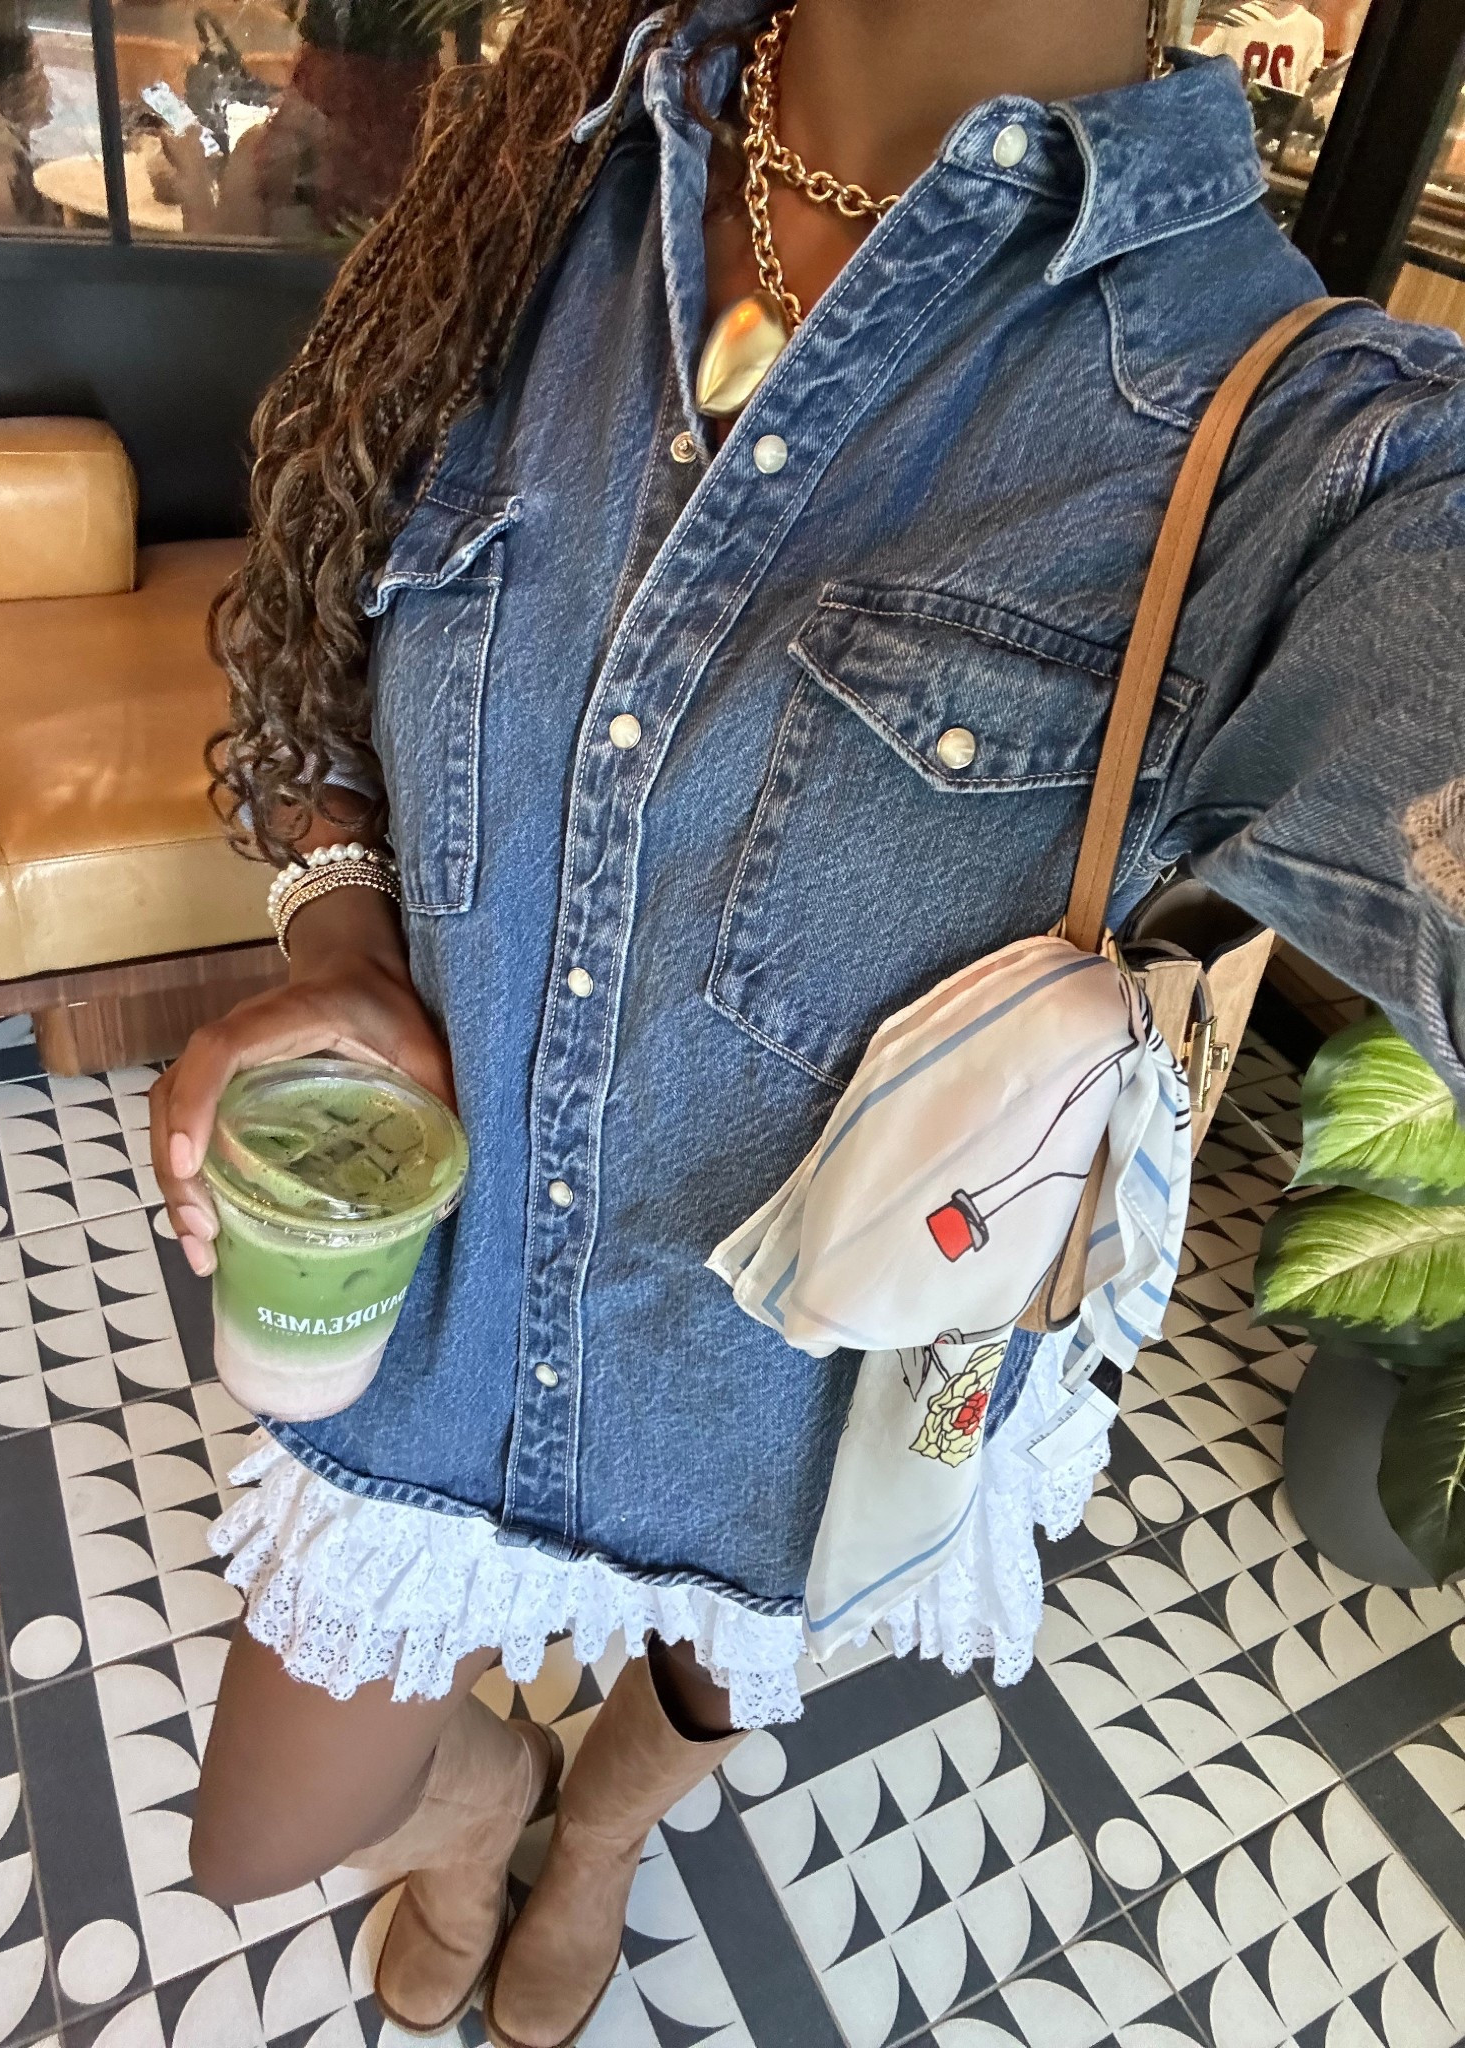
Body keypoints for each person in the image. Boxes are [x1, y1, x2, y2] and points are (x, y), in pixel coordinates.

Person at [148, 2, 1465, 2042]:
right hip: (439, 1279)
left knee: (717, 1660)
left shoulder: (1295, 434)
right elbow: (331, 616)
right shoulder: (549, 173)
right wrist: (337, 931)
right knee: (266, 1827)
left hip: (807, 1364)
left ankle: (600, 1836)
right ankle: (488, 1793)